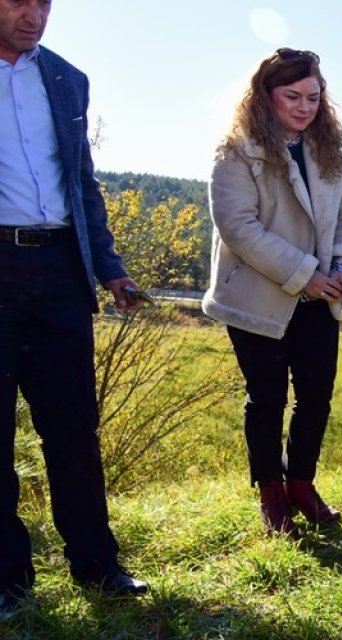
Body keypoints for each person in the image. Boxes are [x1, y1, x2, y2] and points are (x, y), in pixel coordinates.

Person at [0, 0, 148, 615]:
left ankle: (97, 566)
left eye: (45, 2)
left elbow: (82, 181)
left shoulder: (66, 77)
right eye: (18, 0)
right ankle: (8, 582)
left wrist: (109, 267)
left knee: (73, 428)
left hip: (61, 269)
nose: (34, 14)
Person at [204, 48, 342, 535]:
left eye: (313, 96)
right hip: (257, 297)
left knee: (317, 395)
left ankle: (302, 484)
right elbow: (238, 227)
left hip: (320, 296)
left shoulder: (327, 148)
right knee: (267, 397)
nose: (304, 106)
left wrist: (339, 266)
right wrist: (306, 273)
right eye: (291, 96)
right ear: (264, 96)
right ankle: (271, 492)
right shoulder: (237, 150)